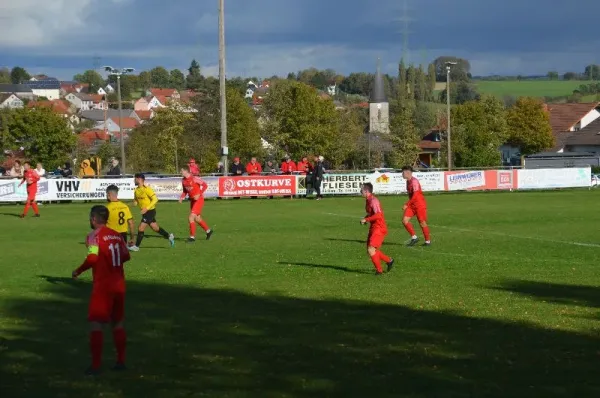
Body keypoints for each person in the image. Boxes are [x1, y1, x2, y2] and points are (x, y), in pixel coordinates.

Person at [71, 205, 131, 375]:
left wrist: (78, 270)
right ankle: (121, 362)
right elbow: (126, 256)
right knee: (117, 323)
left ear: (94, 219)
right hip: (119, 284)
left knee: (96, 323)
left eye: (91, 217)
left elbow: (92, 258)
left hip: (103, 285)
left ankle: (96, 366)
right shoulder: (117, 235)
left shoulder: (94, 236)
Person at [130, 173, 175, 251]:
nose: (134, 180)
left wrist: (147, 208)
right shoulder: (136, 190)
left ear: (139, 179)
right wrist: (132, 204)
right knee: (155, 228)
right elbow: (136, 201)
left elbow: (155, 199)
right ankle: (169, 236)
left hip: (150, 211)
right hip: (145, 213)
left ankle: (136, 246)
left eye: (135, 178)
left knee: (141, 228)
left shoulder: (147, 189)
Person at [360, 183, 394, 275]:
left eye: (361, 190)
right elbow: (372, 214)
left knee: (371, 249)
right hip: (374, 226)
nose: (360, 192)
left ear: (366, 191)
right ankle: (389, 260)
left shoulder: (373, 200)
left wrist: (366, 219)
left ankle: (379, 271)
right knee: (370, 250)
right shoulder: (368, 200)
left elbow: (378, 215)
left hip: (379, 227)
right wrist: (366, 218)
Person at [179, 166, 213, 242]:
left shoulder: (194, 178)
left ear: (186, 171)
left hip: (199, 200)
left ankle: (192, 237)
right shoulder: (183, 180)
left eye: (181, 170)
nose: (180, 172)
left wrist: (199, 194)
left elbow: (205, 185)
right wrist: (182, 197)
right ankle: (208, 231)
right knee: (197, 219)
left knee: (191, 217)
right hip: (192, 201)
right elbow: (185, 191)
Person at [401, 166, 431, 246]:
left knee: (422, 223)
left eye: (403, 172)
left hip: (419, 205)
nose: (402, 174)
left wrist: (407, 204)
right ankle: (414, 237)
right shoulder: (408, 181)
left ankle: (428, 242)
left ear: (408, 172)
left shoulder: (414, 181)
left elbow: (416, 195)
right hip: (412, 205)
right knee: (405, 220)